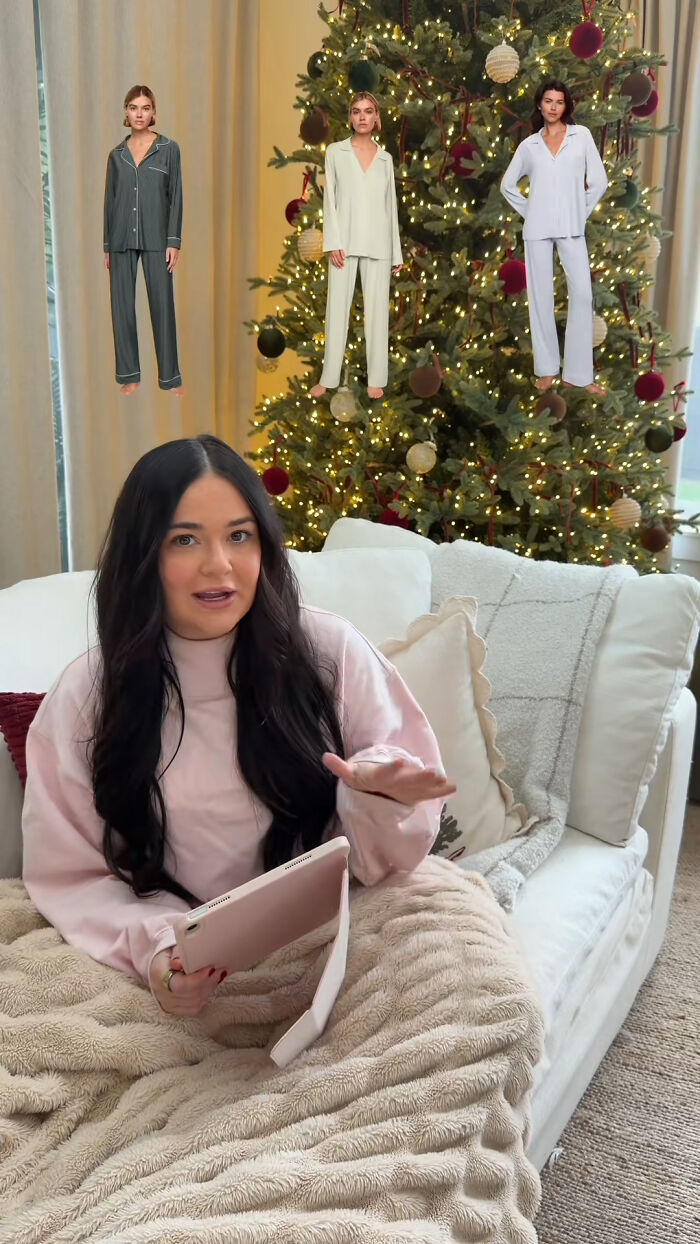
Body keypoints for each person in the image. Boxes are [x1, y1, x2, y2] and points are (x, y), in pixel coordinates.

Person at [22, 436, 454, 1018]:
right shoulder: (85, 697)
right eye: (185, 540)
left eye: (238, 535)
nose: (218, 565)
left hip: (341, 931)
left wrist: (377, 798)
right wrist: (162, 954)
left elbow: (388, 856)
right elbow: (71, 876)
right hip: (184, 959)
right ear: (142, 555)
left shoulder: (330, 651)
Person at [500, 79, 608, 396]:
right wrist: (531, 211)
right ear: (540, 105)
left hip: (572, 229)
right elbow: (508, 186)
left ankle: (578, 374)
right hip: (537, 230)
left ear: (566, 106)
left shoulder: (581, 137)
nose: (553, 107)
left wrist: (579, 211)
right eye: (548, 101)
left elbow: (598, 182)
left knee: (583, 295)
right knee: (541, 299)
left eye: (559, 102)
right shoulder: (529, 146)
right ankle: (547, 370)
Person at [309, 92, 403, 402]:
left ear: (377, 118)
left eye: (368, 112)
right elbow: (331, 201)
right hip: (344, 244)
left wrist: (396, 253)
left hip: (379, 243)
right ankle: (329, 377)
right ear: (350, 118)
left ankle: (377, 378)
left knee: (377, 313)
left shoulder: (386, 159)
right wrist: (333, 241)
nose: (362, 117)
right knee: (337, 310)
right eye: (356, 111)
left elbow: (391, 207)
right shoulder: (336, 153)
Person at [103, 85, 184, 395]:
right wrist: (108, 245)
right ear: (126, 112)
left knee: (162, 306)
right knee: (121, 307)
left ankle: (170, 378)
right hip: (121, 237)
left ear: (154, 112)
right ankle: (129, 375)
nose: (139, 113)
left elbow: (176, 196)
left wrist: (173, 240)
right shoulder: (116, 156)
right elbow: (109, 202)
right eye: (134, 107)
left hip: (156, 237)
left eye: (145, 107)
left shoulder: (169, 149)